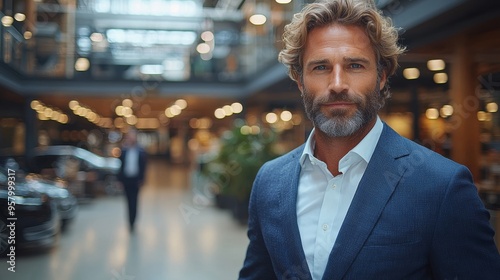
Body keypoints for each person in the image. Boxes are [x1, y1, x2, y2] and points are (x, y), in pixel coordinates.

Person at [239, 0, 500, 279]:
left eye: (354, 65)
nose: (337, 84)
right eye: (320, 67)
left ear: (381, 76)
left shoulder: (442, 186)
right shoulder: (270, 181)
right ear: (300, 80)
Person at [118, 128, 147, 233]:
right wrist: (120, 180)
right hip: (126, 179)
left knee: (134, 201)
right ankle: (129, 221)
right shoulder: (124, 150)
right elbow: (120, 166)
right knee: (128, 201)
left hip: (135, 180)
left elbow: (144, 166)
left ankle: (133, 221)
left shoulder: (141, 151)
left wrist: (142, 179)